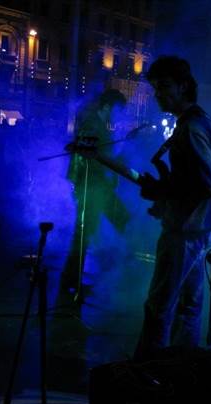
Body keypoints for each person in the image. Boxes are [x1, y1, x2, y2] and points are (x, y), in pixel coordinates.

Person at [133, 56, 211, 361]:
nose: (159, 94)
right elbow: (196, 182)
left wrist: (162, 190)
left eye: (165, 87)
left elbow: (207, 184)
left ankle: (147, 375)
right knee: (188, 306)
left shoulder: (191, 129)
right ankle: (180, 373)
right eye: (156, 88)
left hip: (184, 232)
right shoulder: (197, 122)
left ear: (184, 86)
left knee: (159, 306)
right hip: (196, 229)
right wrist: (165, 196)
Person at [60, 89, 131, 302]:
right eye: (118, 110)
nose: (119, 115)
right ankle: (71, 284)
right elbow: (93, 158)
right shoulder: (92, 125)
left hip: (97, 188)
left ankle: (73, 282)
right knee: (84, 235)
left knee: (115, 223)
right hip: (91, 188)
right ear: (107, 106)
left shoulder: (96, 124)